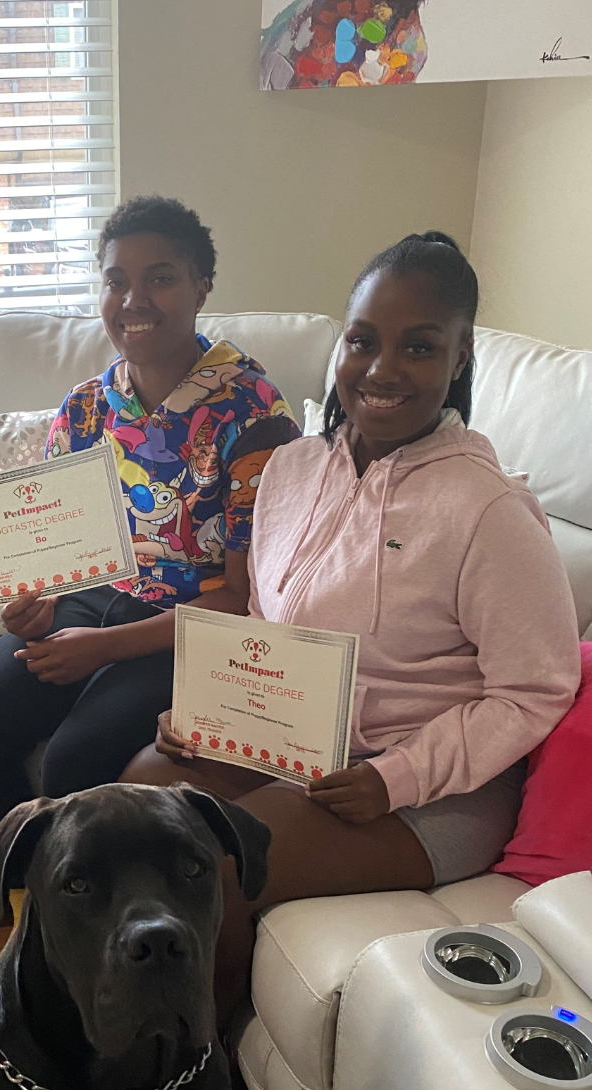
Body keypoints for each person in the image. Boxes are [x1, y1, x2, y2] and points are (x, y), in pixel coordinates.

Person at [121, 231, 581, 1035]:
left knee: (218, 868)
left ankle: (200, 1061)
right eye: (363, 340)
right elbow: (265, 625)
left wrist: (395, 778)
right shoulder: (293, 471)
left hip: (426, 789)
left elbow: (533, 689)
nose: (381, 369)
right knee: (141, 797)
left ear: (458, 358)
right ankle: (119, 1019)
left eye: (418, 346)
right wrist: (209, 717)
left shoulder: (489, 511)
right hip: (297, 746)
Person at [0, 196, 300, 847]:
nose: (134, 299)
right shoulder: (87, 409)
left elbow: (242, 602)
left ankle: (80, 918)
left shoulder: (253, 414)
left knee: (78, 765)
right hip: (94, 600)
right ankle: (35, 901)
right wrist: (34, 602)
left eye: (159, 277)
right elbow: (51, 558)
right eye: (116, 280)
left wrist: (103, 649)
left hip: (191, 626)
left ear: (200, 285)